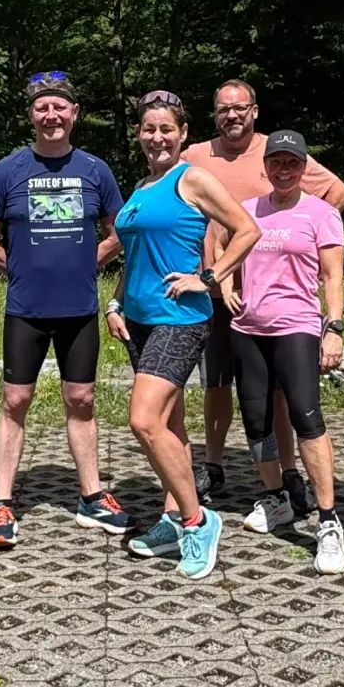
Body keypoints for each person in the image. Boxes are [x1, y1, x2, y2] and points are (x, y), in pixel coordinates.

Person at [109, 90, 261, 579]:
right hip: (138, 319)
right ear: (140, 135)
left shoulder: (190, 178)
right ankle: (172, 517)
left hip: (180, 316)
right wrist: (115, 301)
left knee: (144, 420)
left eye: (166, 129)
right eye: (149, 129)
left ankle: (199, 522)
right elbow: (136, 256)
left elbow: (246, 228)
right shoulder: (140, 187)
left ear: (182, 135)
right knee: (170, 427)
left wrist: (211, 277)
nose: (157, 137)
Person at [183, 80, 344, 506]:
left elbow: (337, 193)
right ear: (214, 113)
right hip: (213, 290)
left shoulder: (274, 150)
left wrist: (304, 227)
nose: (232, 115)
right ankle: (215, 465)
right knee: (217, 383)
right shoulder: (194, 156)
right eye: (224, 109)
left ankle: (290, 473)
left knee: (280, 393)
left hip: (275, 299)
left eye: (240, 108)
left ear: (254, 111)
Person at [0, 71, 127, 549]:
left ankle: (91, 496)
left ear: (74, 114)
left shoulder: (95, 169)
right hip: (25, 307)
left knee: (81, 399)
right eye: (42, 107)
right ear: (31, 116)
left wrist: (94, 259)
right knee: (15, 401)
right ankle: (2, 501)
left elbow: (119, 229)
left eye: (59, 107)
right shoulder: (7, 170)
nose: (51, 115)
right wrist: (14, 268)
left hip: (79, 307)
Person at [227, 130, 344, 574]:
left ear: (304, 168)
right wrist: (225, 286)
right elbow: (225, 252)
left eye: (292, 163)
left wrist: (334, 327)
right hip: (248, 328)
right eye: (276, 162)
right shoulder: (246, 211)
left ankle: (329, 520)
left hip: (296, 325)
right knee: (257, 422)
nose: (283, 170)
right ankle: (277, 498)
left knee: (306, 417)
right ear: (265, 166)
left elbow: (333, 276)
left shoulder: (320, 213)